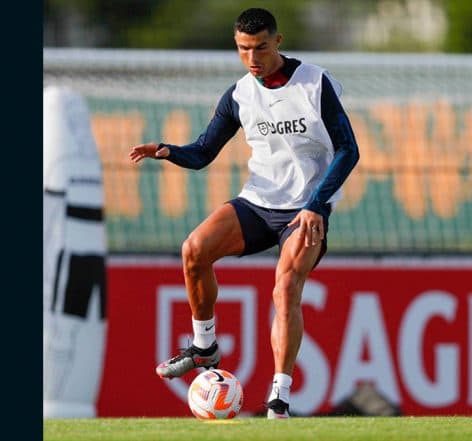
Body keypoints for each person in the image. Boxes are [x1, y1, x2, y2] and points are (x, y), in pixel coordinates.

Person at [129, 7, 359, 419]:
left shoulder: (314, 83)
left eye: (260, 48)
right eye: (242, 49)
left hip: (305, 209)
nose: (252, 58)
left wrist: (317, 205)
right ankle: (204, 347)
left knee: (285, 288)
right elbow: (203, 152)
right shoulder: (239, 94)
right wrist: (167, 151)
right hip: (258, 201)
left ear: (278, 41)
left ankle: (279, 399)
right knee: (194, 249)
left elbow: (348, 149)